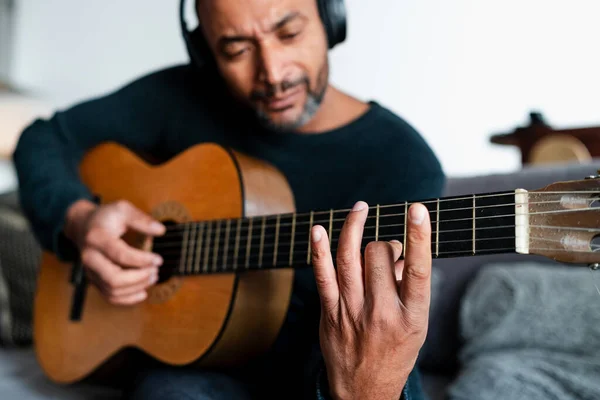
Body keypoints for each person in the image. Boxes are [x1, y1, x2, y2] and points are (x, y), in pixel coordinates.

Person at [12, 0, 445, 398]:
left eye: (289, 33)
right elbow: (43, 140)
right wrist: (80, 219)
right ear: (205, 52)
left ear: (330, 18)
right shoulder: (181, 97)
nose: (273, 73)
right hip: (199, 374)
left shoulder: (402, 160)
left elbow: (383, 350)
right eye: (236, 50)